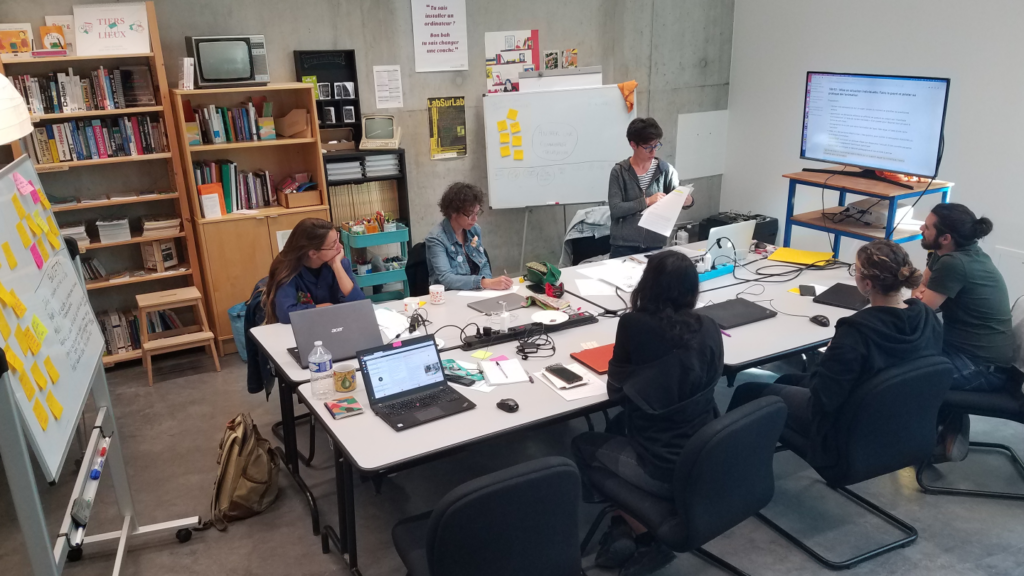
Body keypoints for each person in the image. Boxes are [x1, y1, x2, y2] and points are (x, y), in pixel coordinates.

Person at [571, 251, 723, 575]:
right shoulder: (709, 327)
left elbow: (616, 390)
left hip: (662, 466)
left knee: (583, 445)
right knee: (615, 426)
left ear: (648, 286)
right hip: (704, 455)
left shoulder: (634, 324)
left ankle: (642, 533)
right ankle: (620, 525)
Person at [727, 240, 942, 467]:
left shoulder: (857, 331)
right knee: (786, 380)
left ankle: (719, 468)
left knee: (748, 391)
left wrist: (828, 356)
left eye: (855, 271)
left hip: (845, 427)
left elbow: (824, 399)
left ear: (866, 284)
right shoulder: (926, 317)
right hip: (897, 420)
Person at [912, 203, 1015, 460]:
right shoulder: (951, 253)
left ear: (946, 238)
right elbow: (921, 287)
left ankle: (931, 435)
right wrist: (920, 295)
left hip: (983, 367)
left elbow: (920, 311)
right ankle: (950, 421)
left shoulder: (955, 263)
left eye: (927, 226)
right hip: (967, 353)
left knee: (900, 372)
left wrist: (918, 297)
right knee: (905, 353)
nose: (921, 228)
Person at [607, 117, 694, 259]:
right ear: (633, 145)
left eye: (656, 145)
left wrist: (688, 201)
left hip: (655, 244)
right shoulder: (619, 172)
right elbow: (616, 209)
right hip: (624, 246)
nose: (653, 152)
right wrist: (646, 201)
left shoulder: (665, 170)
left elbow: (676, 198)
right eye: (648, 147)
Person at [262, 218, 365, 325]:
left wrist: (336, 265)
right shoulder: (288, 270)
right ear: (313, 253)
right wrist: (323, 307)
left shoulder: (340, 262)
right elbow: (285, 314)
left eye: (338, 239)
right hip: (299, 331)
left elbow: (360, 305)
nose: (340, 247)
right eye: (334, 244)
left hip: (333, 326)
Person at [425, 182, 513, 291]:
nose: (475, 219)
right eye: (470, 214)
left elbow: (484, 263)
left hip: (476, 293)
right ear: (453, 212)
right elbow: (446, 279)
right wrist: (485, 282)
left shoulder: (474, 230)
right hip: (450, 296)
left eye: (477, 213)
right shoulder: (436, 239)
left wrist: (488, 287)